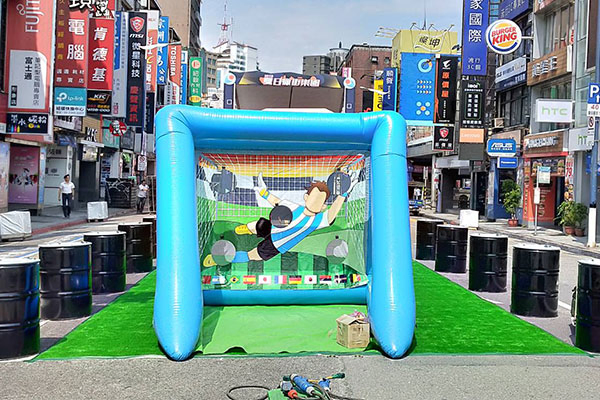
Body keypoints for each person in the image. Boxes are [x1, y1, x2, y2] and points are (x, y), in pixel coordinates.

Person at [203, 171, 359, 267]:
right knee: (258, 224)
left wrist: (343, 194)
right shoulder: (294, 207)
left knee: (252, 255)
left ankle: (221, 259)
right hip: (274, 228)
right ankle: (245, 229)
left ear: (323, 206)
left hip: (277, 244)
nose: (315, 202)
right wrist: (263, 191)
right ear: (306, 197)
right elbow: (276, 201)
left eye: (320, 201)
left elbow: (332, 214)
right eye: (313, 197)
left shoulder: (317, 221)